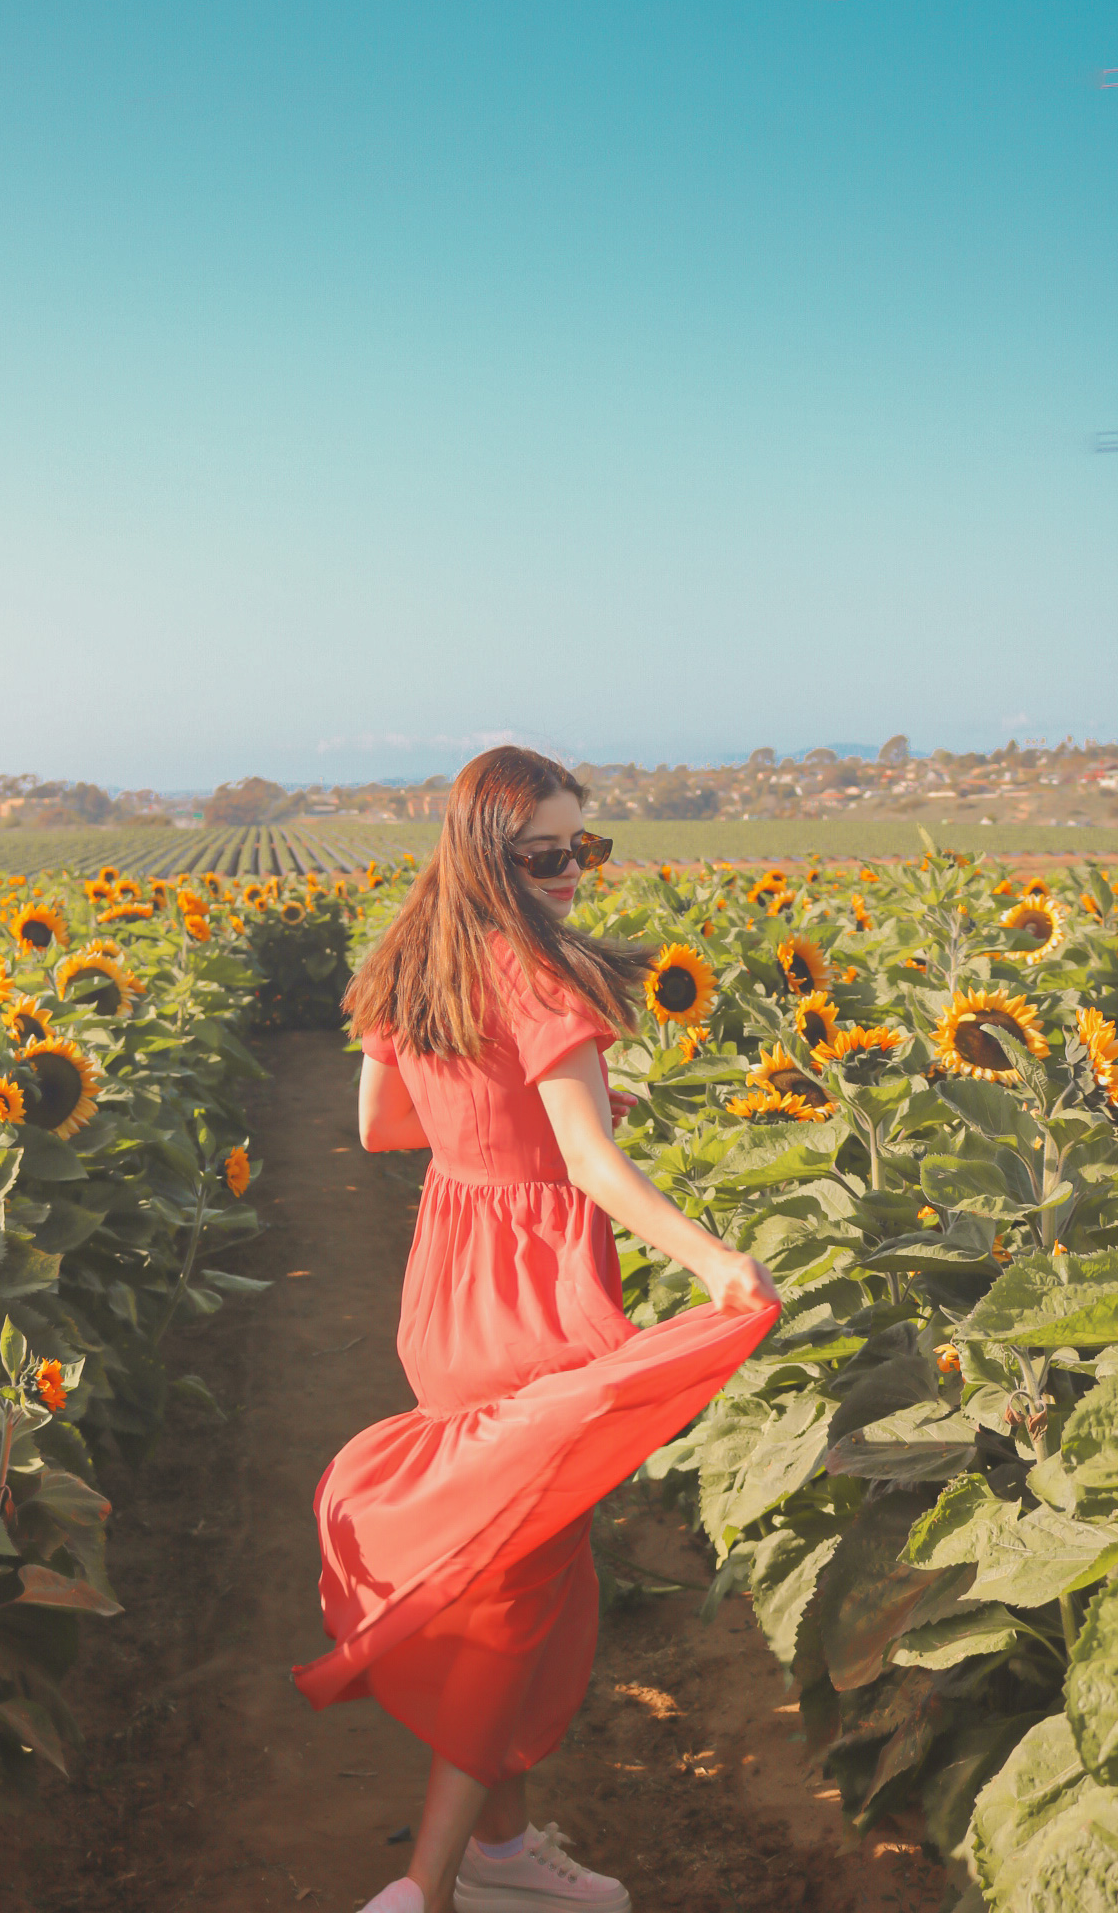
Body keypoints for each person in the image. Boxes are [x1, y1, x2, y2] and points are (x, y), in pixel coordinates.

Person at [293, 746, 780, 1913]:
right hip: (537, 1295)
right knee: (521, 1595)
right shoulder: (541, 978)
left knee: (498, 1565)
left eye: (583, 848)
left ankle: (503, 1854)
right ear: (489, 857)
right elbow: (588, 1168)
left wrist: (511, 1123)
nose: (572, 873)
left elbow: (381, 1128)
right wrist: (714, 1260)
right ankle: (427, 1884)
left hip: (447, 1286)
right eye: (547, 855)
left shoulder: (411, 963)